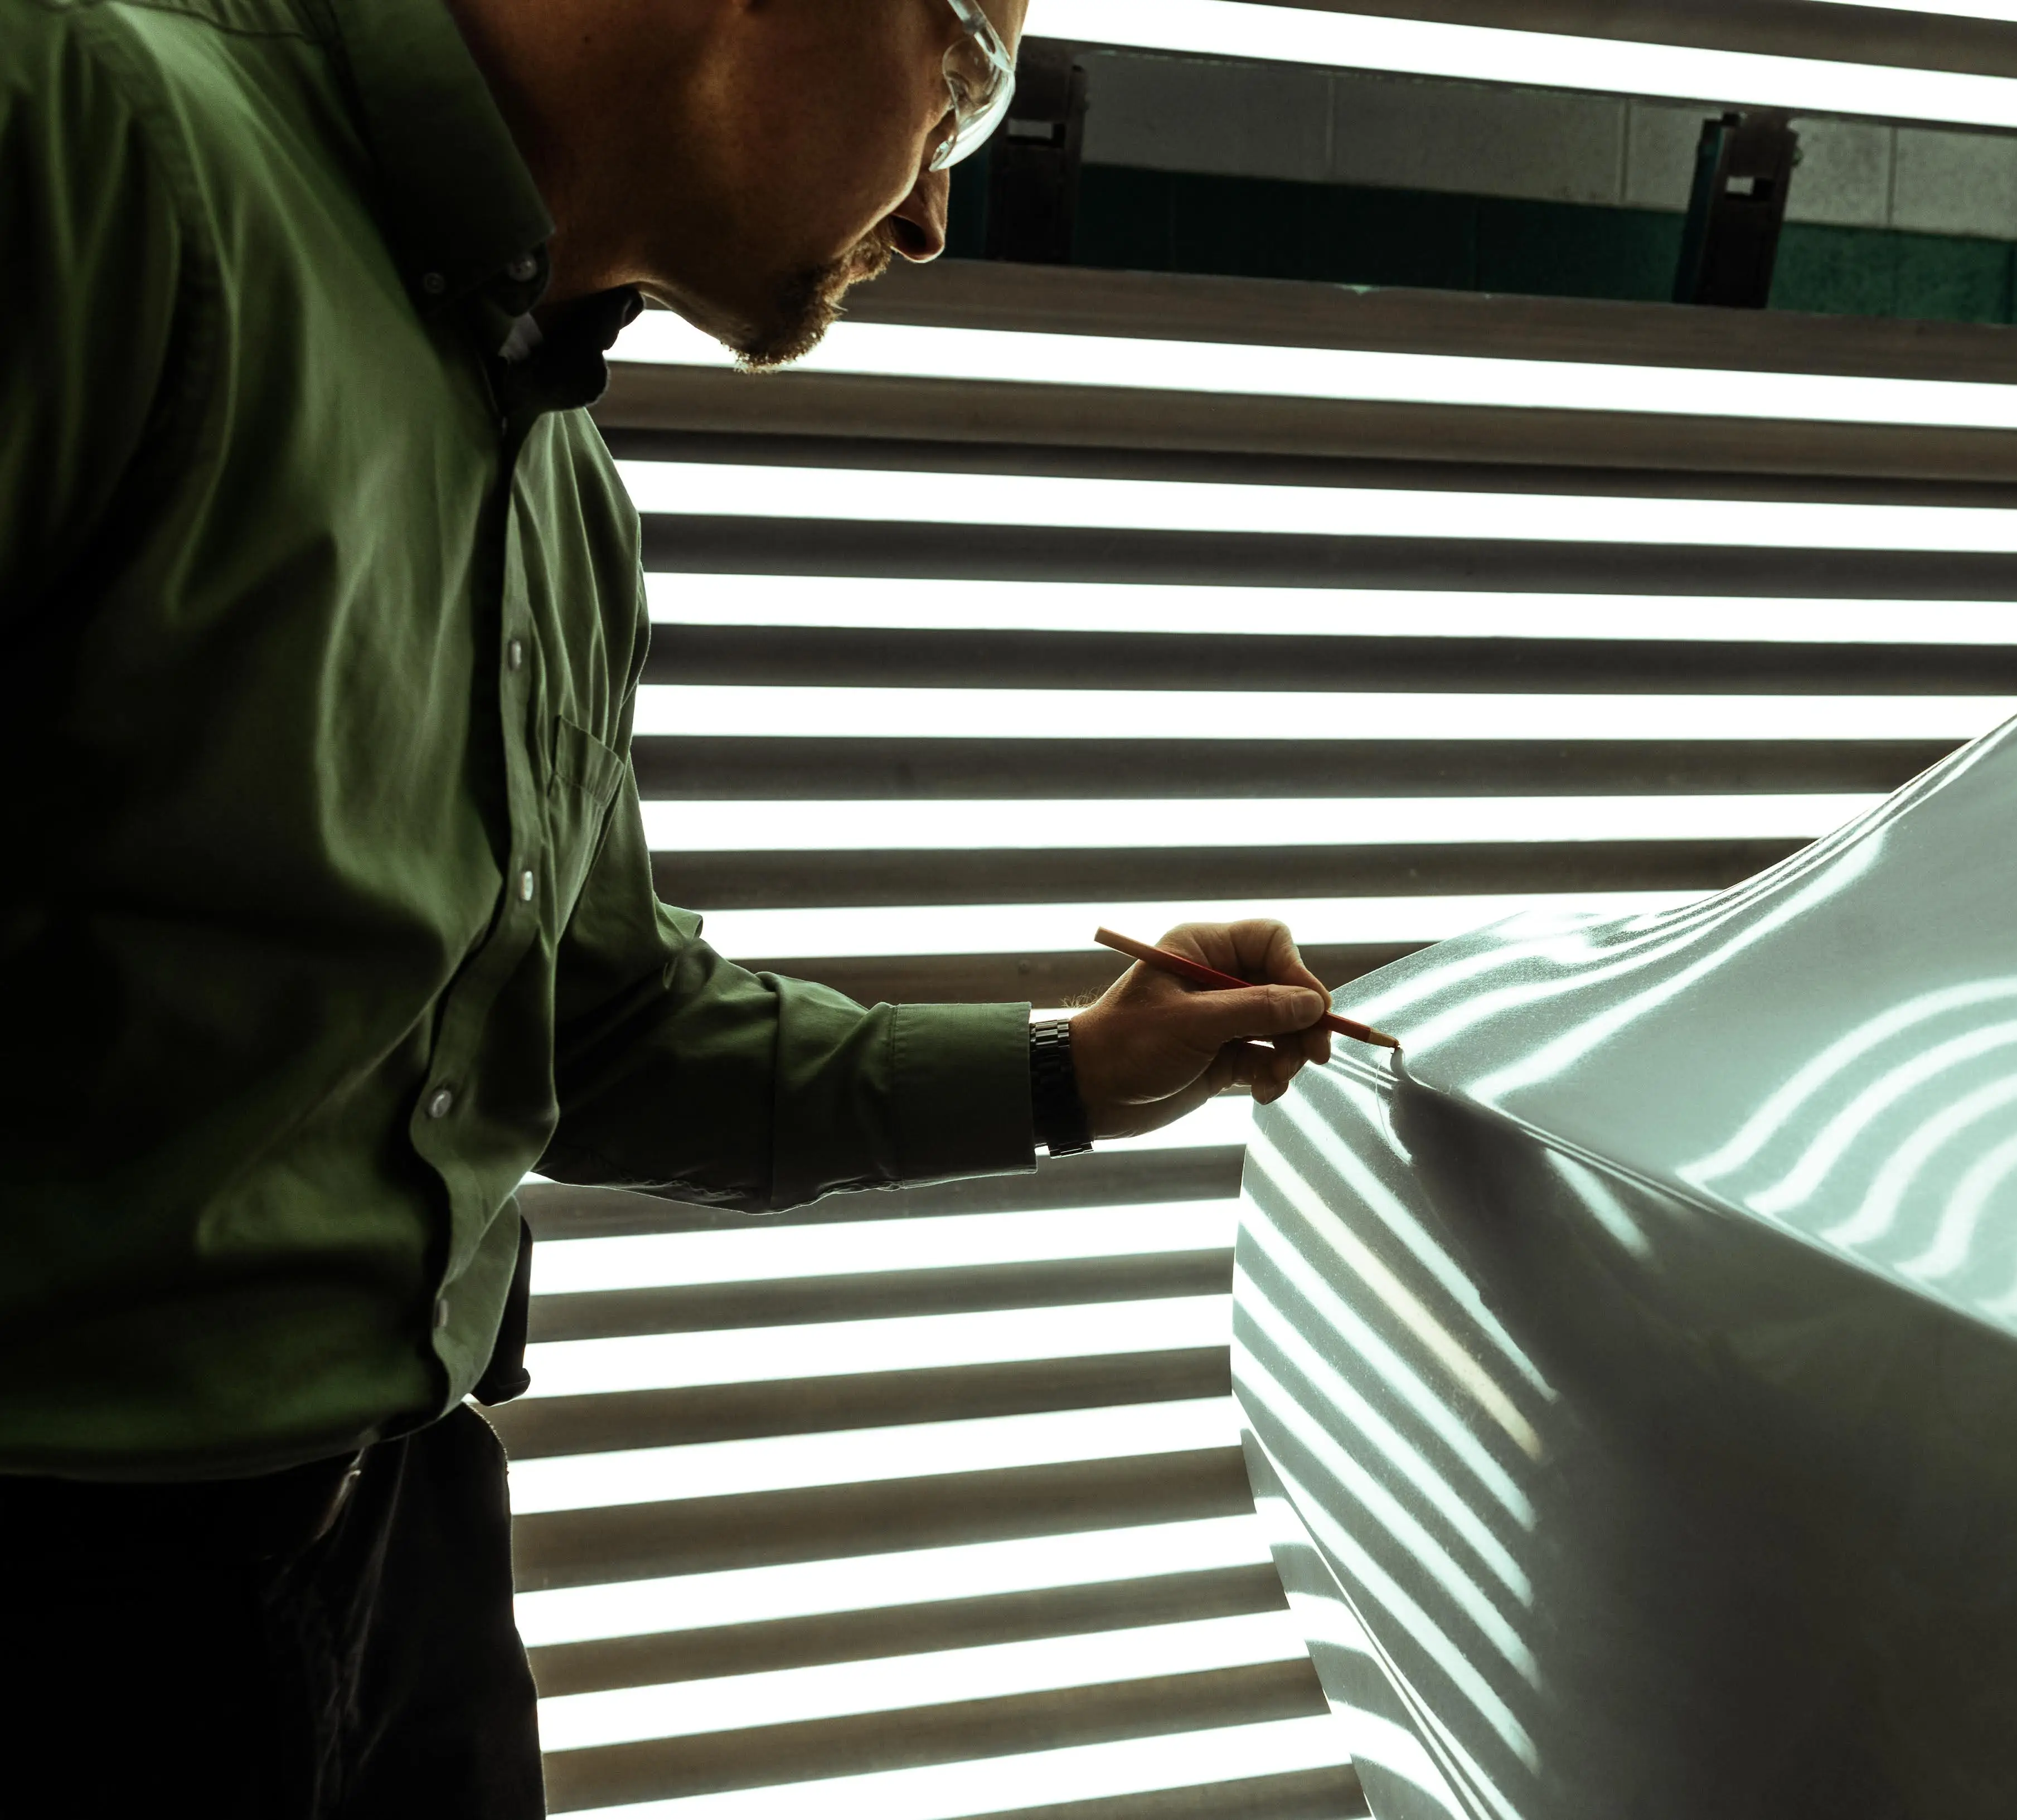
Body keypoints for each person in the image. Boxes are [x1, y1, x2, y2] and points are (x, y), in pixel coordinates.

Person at [0, 0, 1341, 1810]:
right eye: (966, 82)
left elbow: (599, 1033)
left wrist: (1074, 1073)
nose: (934, 213)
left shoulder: (562, 491)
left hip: (402, 1558)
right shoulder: (88, 134)